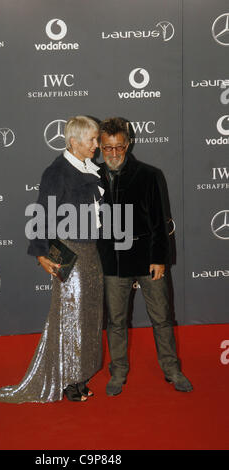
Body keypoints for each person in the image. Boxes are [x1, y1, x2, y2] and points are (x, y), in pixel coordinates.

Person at [0, 116, 104, 403]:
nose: (96, 145)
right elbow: (43, 212)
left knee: (89, 316)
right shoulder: (57, 172)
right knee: (70, 317)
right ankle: (67, 379)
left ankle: (80, 375)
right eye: (91, 140)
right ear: (74, 142)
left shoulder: (92, 169)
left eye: (97, 139)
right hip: (69, 250)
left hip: (91, 252)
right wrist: (40, 252)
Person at [97, 117, 193, 396]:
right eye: (107, 148)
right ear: (100, 147)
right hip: (112, 262)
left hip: (147, 259)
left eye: (119, 147)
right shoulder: (92, 177)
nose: (114, 154)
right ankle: (118, 372)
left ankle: (172, 369)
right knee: (115, 321)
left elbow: (160, 222)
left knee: (162, 317)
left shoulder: (150, 175)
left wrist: (160, 259)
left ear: (128, 144)